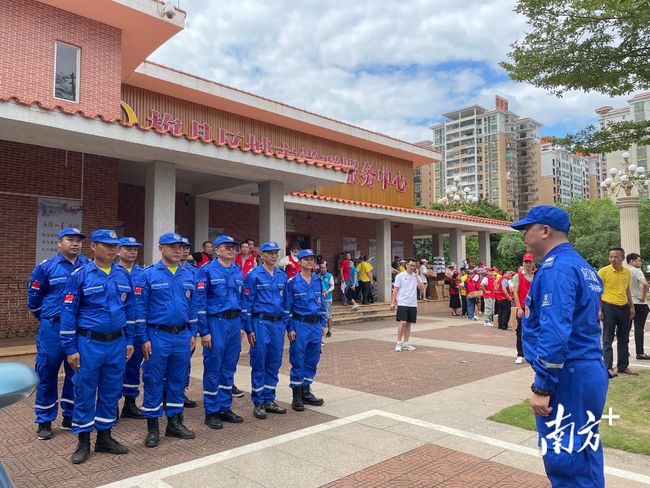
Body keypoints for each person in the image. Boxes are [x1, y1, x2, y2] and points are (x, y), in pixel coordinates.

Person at [512, 205, 607, 488]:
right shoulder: (582, 265)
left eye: (527, 229)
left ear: (545, 230)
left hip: (569, 373)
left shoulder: (557, 268)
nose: (524, 236)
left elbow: (555, 331)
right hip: (587, 368)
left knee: (564, 456)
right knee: (584, 451)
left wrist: (543, 386)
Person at [60, 230, 135, 464]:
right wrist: (70, 348)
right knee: (84, 390)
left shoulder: (123, 274)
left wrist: (130, 340)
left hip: (117, 343)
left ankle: (105, 437)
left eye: (115, 246)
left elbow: (130, 310)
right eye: (106, 245)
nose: (112, 250)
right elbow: (68, 313)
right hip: (88, 343)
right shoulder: (80, 274)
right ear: (93, 247)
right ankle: (83, 441)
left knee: (111, 391)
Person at [135, 233, 201, 448]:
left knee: (177, 380)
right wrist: (143, 338)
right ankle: (153, 427)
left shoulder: (188, 274)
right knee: (153, 380)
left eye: (180, 247)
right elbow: (140, 309)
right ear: (161, 248)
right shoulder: (148, 275)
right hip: (157, 336)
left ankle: (174, 422)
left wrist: (192, 332)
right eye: (172, 246)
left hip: (182, 336)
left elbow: (193, 307)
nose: (177, 250)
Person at [28, 227, 87, 440]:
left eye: (78, 240)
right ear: (59, 243)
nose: (75, 243)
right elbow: (34, 301)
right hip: (52, 329)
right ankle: (44, 420)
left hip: (79, 330)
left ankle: (69, 416)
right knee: (46, 373)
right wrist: (48, 318)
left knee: (76, 374)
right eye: (69, 239)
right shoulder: (45, 268)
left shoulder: (87, 267)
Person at [201, 235, 246, 429]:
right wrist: (204, 331)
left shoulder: (237, 270)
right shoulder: (207, 270)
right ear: (217, 250)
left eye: (233, 247)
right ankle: (211, 411)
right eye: (226, 247)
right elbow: (200, 302)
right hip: (215, 322)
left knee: (229, 367)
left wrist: (242, 325)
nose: (231, 250)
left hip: (234, 323)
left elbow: (242, 298)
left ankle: (225, 406)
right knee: (213, 367)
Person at [242, 241, 290, 420]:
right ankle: (258, 401)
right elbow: (247, 303)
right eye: (269, 253)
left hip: (277, 325)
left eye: (275, 253)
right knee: (259, 361)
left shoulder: (281, 275)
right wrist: (249, 328)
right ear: (261, 255)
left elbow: (286, 303)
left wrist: (286, 324)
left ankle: (270, 398)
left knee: (274, 362)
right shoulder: (253, 275)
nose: (273, 256)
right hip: (260, 323)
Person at [285, 249, 327, 412]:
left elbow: (321, 303)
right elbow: (287, 307)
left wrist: (323, 324)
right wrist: (290, 328)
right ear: (300, 262)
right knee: (298, 358)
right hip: (300, 325)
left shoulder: (317, 280)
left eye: (312, 259)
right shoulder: (292, 282)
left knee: (313, 358)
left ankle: (306, 391)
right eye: (306, 259)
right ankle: (296, 395)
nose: (310, 262)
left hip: (315, 325)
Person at [112, 237, 146, 420]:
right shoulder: (112, 271)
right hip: (117, 328)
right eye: (128, 248)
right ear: (118, 251)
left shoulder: (143, 273)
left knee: (134, 366)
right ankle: (113, 405)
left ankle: (130, 404)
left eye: (135, 249)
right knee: (116, 368)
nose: (132, 252)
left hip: (138, 326)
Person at [598, 247, 636, 377]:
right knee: (608, 338)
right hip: (609, 308)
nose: (613, 259)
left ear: (622, 258)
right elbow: (596, 292)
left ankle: (623, 366)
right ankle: (608, 367)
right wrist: (599, 309)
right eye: (611, 257)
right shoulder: (603, 272)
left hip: (624, 308)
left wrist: (632, 307)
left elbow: (627, 290)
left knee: (624, 338)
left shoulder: (627, 273)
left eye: (616, 257)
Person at [179, 237, 200, 408]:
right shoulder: (156, 271)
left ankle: (181, 390)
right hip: (168, 327)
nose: (185, 250)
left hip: (188, 326)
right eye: (181, 247)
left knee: (185, 360)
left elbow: (197, 300)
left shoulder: (195, 272)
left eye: (187, 247)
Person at [391, 258, 426, 351]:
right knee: (403, 322)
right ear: (406, 265)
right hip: (402, 302)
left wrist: (417, 276)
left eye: (414, 265)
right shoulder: (400, 276)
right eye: (411, 265)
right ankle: (399, 342)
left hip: (412, 303)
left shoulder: (415, 276)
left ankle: (406, 343)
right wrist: (393, 302)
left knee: (409, 323)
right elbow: (395, 289)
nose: (412, 267)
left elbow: (422, 288)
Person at [626, 253, 650, 360]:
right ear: (631, 261)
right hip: (639, 303)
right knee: (639, 329)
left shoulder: (623, 271)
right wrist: (642, 296)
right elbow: (645, 284)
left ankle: (624, 351)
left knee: (625, 329)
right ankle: (640, 353)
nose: (640, 262)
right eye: (638, 260)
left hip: (627, 303)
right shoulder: (637, 271)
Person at [512, 253, 535, 364]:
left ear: (533, 263)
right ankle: (520, 354)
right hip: (522, 307)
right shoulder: (518, 276)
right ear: (523, 263)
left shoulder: (536, 275)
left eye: (529, 262)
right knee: (520, 331)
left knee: (535, 331)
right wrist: (519, 308)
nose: (528, 264)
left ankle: (532, 353)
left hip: (534, 308)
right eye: (526, 262)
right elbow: (515, 292)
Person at [319, 262, 335, 337]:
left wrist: (327, 292)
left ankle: (329, 331)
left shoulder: (329, 276)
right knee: (321, 314)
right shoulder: (318, 276)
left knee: (328, 314)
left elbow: (332, 286)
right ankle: (322, 330)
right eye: (321, 268)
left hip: (328, 298)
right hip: (320, 299)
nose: (322, 269)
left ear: (326, 268)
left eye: (324, 268)